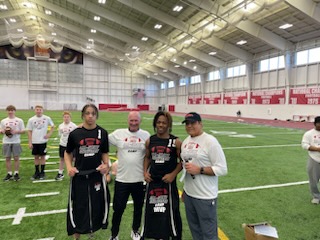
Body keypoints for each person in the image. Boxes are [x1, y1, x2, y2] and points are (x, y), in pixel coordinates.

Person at [65, 103, 110, 239]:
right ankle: (77, 236)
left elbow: (104, 152)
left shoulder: (102, 133)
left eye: (93, 113)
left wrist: (106, 165)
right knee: (78, 206)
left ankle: (92, 229)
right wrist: (69, 167)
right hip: (79, 176)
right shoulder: (75, 134)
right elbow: (68, 153)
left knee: (97, 204)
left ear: (96, 115)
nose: (90, 116)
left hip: (96, 175)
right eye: (87, 113)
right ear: (83, 115)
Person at [180, 112, 227, 240]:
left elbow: (222, 169)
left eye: (193, 123)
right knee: (195, 230)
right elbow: (186, 167)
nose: (189, 126)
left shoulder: (210, 141)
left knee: (209, 234)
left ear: (200, 124)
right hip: (190, 195)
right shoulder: (186, 141)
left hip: (205, 196)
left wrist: (199, 170)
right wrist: (185, 189)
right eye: (187, 123)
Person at [108, 111, 150, 240]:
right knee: (118, 209)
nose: (133, 123)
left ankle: (135, 230)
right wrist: (107, 164)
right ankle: (114, 234)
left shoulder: (146, 135)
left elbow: (149, 156)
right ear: (128, 121)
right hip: (122, 179)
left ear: (140, 121)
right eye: (131, 120)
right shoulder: (118, 134)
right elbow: (102, 143)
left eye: (136, 120)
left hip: (139, 180)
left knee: (138, 208)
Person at [142, 111, 182, 240]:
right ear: (155, 123)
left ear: (169, 124)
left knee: (171, 211)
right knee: (154, 211)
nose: (161, 125)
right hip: (153, 182)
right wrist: (145, 172)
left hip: (168, 183)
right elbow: (147, 158)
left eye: (164, 122)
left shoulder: (175, 142)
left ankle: (175, 236)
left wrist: (173, 174)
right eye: (158, 122)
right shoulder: (150, 141)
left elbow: (182, 162)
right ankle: (156, 236)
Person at [26, 105, 54, 180]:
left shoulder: (47, 118)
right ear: (35, 110)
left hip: (43, 141)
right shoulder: (31, 119)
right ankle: (37, 172)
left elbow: (53, 126)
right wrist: (30, 142)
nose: (38, 111)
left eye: (40, 109)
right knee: (36, 157)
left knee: (42, 157)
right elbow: (29, 131)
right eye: (37, 109)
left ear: (42, 110)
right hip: (35, 141)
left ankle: (42, 172)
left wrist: (49, 134)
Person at [0, 105, 25, 181]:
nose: (10, 112)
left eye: (12, 110)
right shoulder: (3, 121)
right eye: (9, 110)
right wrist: (2, 131)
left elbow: (23, 131)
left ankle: (16, 173)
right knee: (7, 158)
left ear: (15, 111)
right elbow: (0, 130)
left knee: (16, 158)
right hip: (6, 141)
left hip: (16, 141)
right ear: (7, 111)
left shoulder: (19, 120)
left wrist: (16, 131)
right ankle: (9, 173)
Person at [301, 116, 320, 204]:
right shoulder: (309, 134)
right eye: (319, 124)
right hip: (314, 159)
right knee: (313, 180)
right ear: (315, 124)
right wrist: (317, 149)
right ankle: (316, 196)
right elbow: (304, 145)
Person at [55, 111, 77, 181]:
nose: (66, 118)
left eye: (68, 117)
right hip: (63, 144)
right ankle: (60, 173)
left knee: (74, 159)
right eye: (65, 117)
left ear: (70, 118)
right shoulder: (60, 126)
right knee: (62, 159)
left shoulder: (74, 126)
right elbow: (60, 134)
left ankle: (75, 172)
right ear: (63, 118)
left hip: (71, 145)